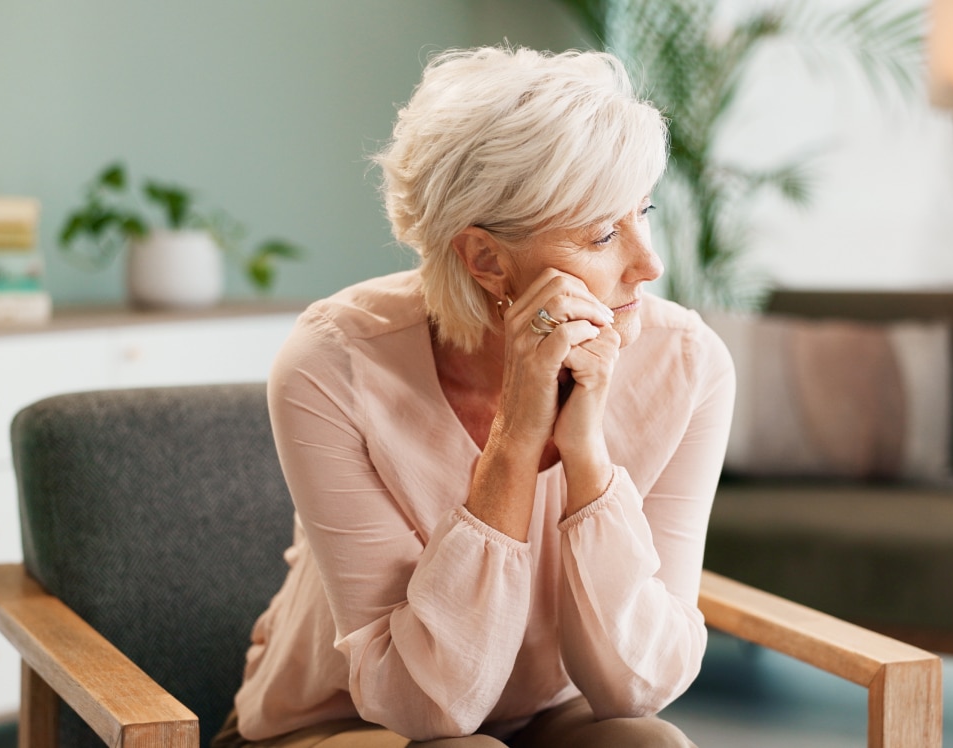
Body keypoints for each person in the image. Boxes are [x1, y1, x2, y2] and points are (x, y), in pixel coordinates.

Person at [212, 46, 735, 748]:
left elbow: (634, 689)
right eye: (604, 233)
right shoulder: (334, 365)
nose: (650, 263)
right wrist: (517, 439)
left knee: (651, 744)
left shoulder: (688, 364)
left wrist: (586, 458)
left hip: (542, 715)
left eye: (642, 211)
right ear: (486, 259)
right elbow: (432, 709)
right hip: (345, 721)